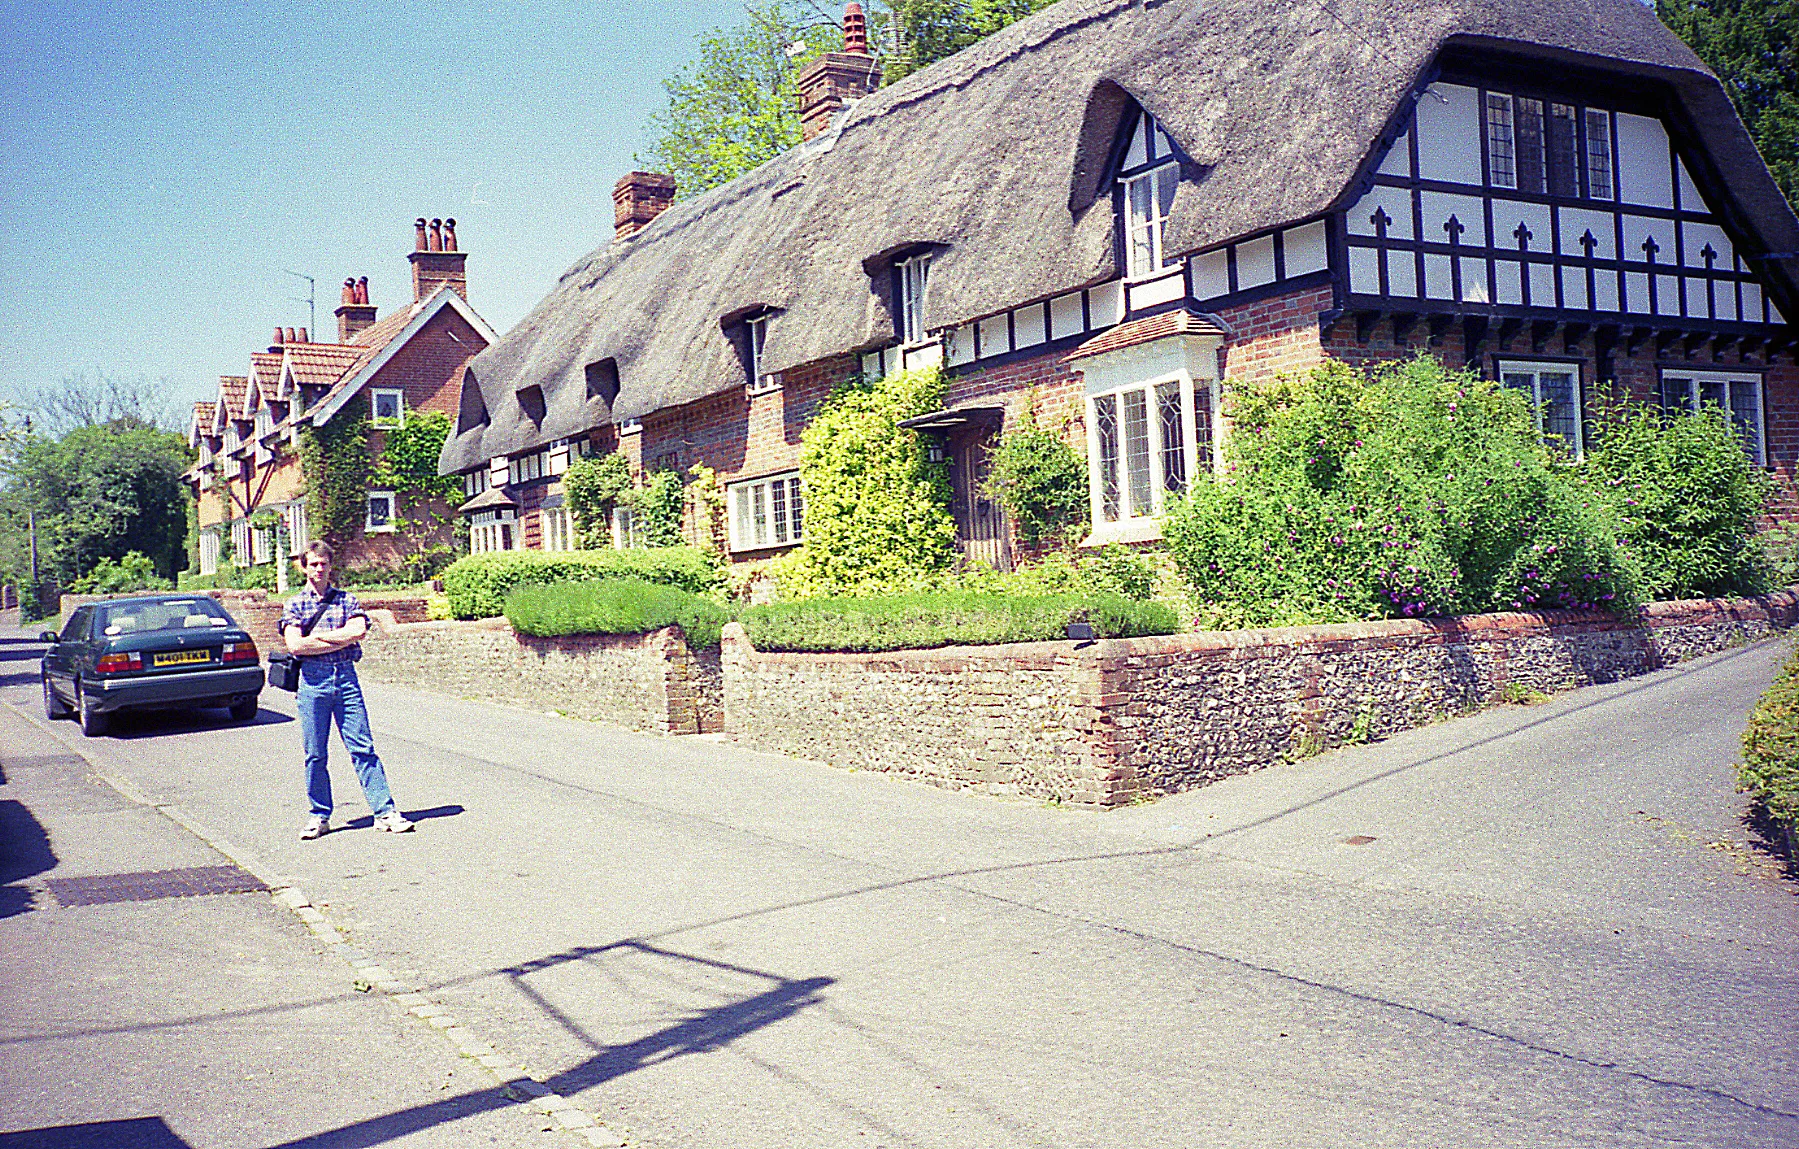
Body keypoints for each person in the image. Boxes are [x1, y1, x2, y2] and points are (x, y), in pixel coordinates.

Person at [281, 540, 413, 839]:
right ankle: (319, 815)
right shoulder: (295, 604)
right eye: (313, 563)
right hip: (313, 682)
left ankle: (385, 812)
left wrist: (318, 638)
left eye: (323, 563)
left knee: (362, 747)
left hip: (346, 679)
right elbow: (295, 644)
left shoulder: (345, 600)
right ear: (304, 566)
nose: (319, 568)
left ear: (331, 565)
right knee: (315, 753)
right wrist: (340, 638)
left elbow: (359, 631)